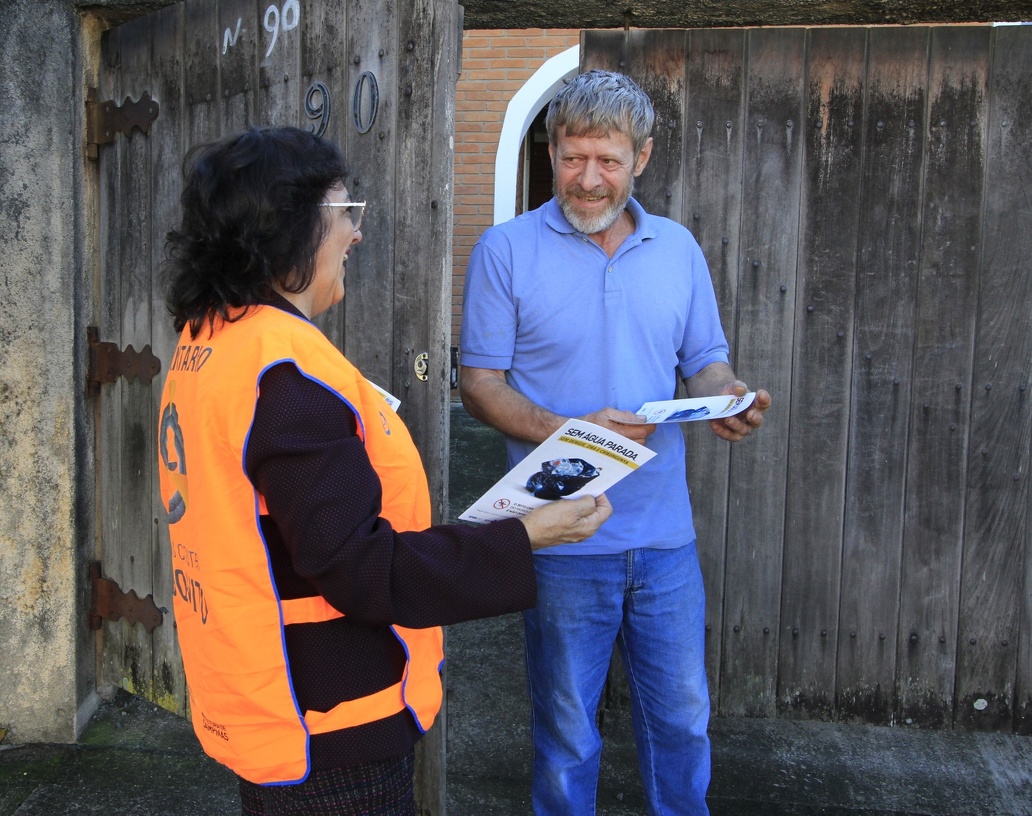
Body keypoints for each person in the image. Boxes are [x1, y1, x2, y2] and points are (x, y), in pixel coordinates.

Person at [155, 126, 613, 816]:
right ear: (292, 231)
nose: (355, 236)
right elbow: (361, 572)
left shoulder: (213, 339)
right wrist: (524, 537)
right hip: (329, 719)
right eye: (346, 215)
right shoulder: (286, 377)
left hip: (260, 686)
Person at [458, 71, 772, 816]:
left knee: (682, 723)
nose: (590, 179)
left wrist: (727, 395)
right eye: (574, 157)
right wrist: (567, 432)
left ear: (643, 158)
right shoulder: (504, 251)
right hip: (559, 537)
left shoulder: (679, 249)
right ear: (552, 150)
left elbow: (707, 361)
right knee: (567, 733)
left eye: (608, 159)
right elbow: (479, 384)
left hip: (666, 539)